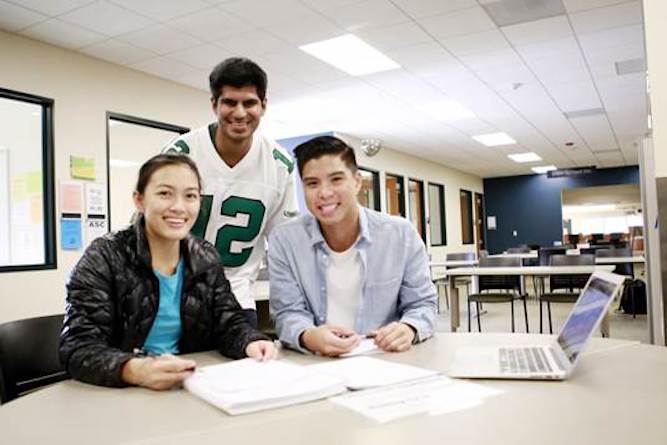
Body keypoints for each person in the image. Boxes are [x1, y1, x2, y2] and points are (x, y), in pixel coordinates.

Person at [60, 154, 277, 390]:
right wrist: (134, 370)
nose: (178, 207)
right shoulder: (105, 256)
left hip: (190, 386)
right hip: (121, 389)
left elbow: (229, 322)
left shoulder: (205, 257)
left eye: (190, 196)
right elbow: (78, 346)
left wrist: (251, 341)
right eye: (165, 193)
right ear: (140, 200)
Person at [269, 136, 437, 357]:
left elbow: (423, 304)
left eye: (336, 179)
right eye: (312, 183)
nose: (324, 193)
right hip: (315, 362)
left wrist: (409, 328)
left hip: (385, 358)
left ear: (357, 181)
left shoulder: (400, 234)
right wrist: (308, 336)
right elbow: (287, 312)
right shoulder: (285, 240)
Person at [164, 57, 297, 328]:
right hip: (175, 297)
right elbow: (150, 230)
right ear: (214, 104)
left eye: (249, 103)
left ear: (264, 106)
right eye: (229, 102)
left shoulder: (278, 164)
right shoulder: (180, 154)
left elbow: (286, 245)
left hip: (237, 300)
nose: (239, 113)